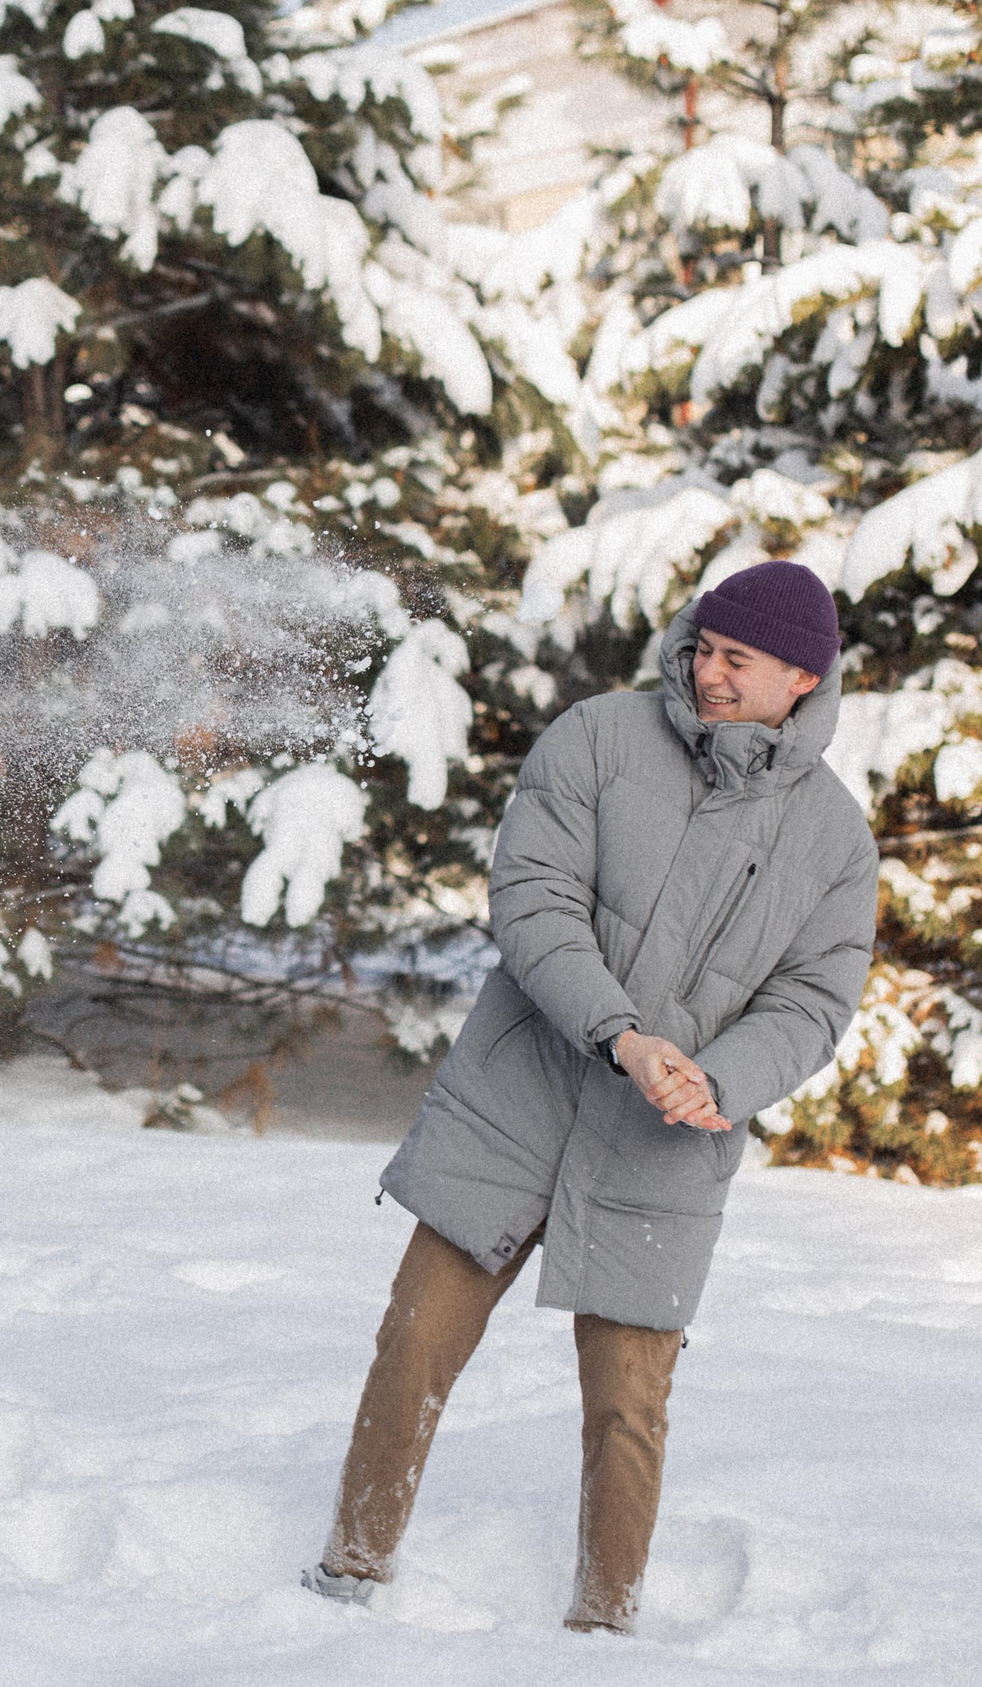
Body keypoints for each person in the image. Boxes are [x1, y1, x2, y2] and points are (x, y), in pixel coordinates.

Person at [302, 560, 878, 1632]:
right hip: (514, 1103)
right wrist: (619, 1033)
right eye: (703, 648)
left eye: (736, 659)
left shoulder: (836, 841)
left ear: (802, 678)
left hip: (663, 1149)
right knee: (415, 1342)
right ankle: (348, 1571)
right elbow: (532, 897)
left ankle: (605, 1626)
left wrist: (721, 1077)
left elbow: (812, 1002)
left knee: (628, 1405)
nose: (707, 672)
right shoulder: (600, 738)